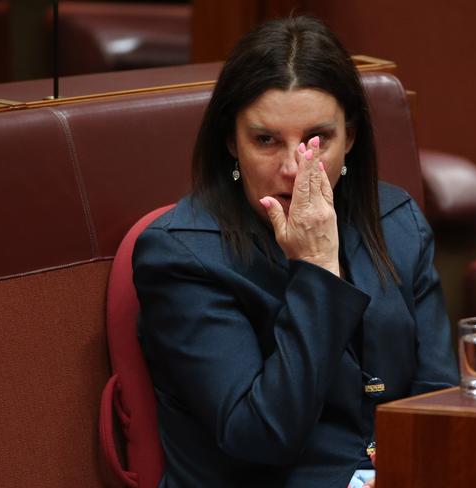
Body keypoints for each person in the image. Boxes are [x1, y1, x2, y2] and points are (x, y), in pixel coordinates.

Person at [133, 15, 458, 488]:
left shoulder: (397, 221)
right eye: (265, 140)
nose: (292, 167)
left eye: (317, 139)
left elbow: (437, 400)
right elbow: (262, 435)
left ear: (351, 137)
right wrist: (318, 268)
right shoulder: (182, 257)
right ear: (232, 143)